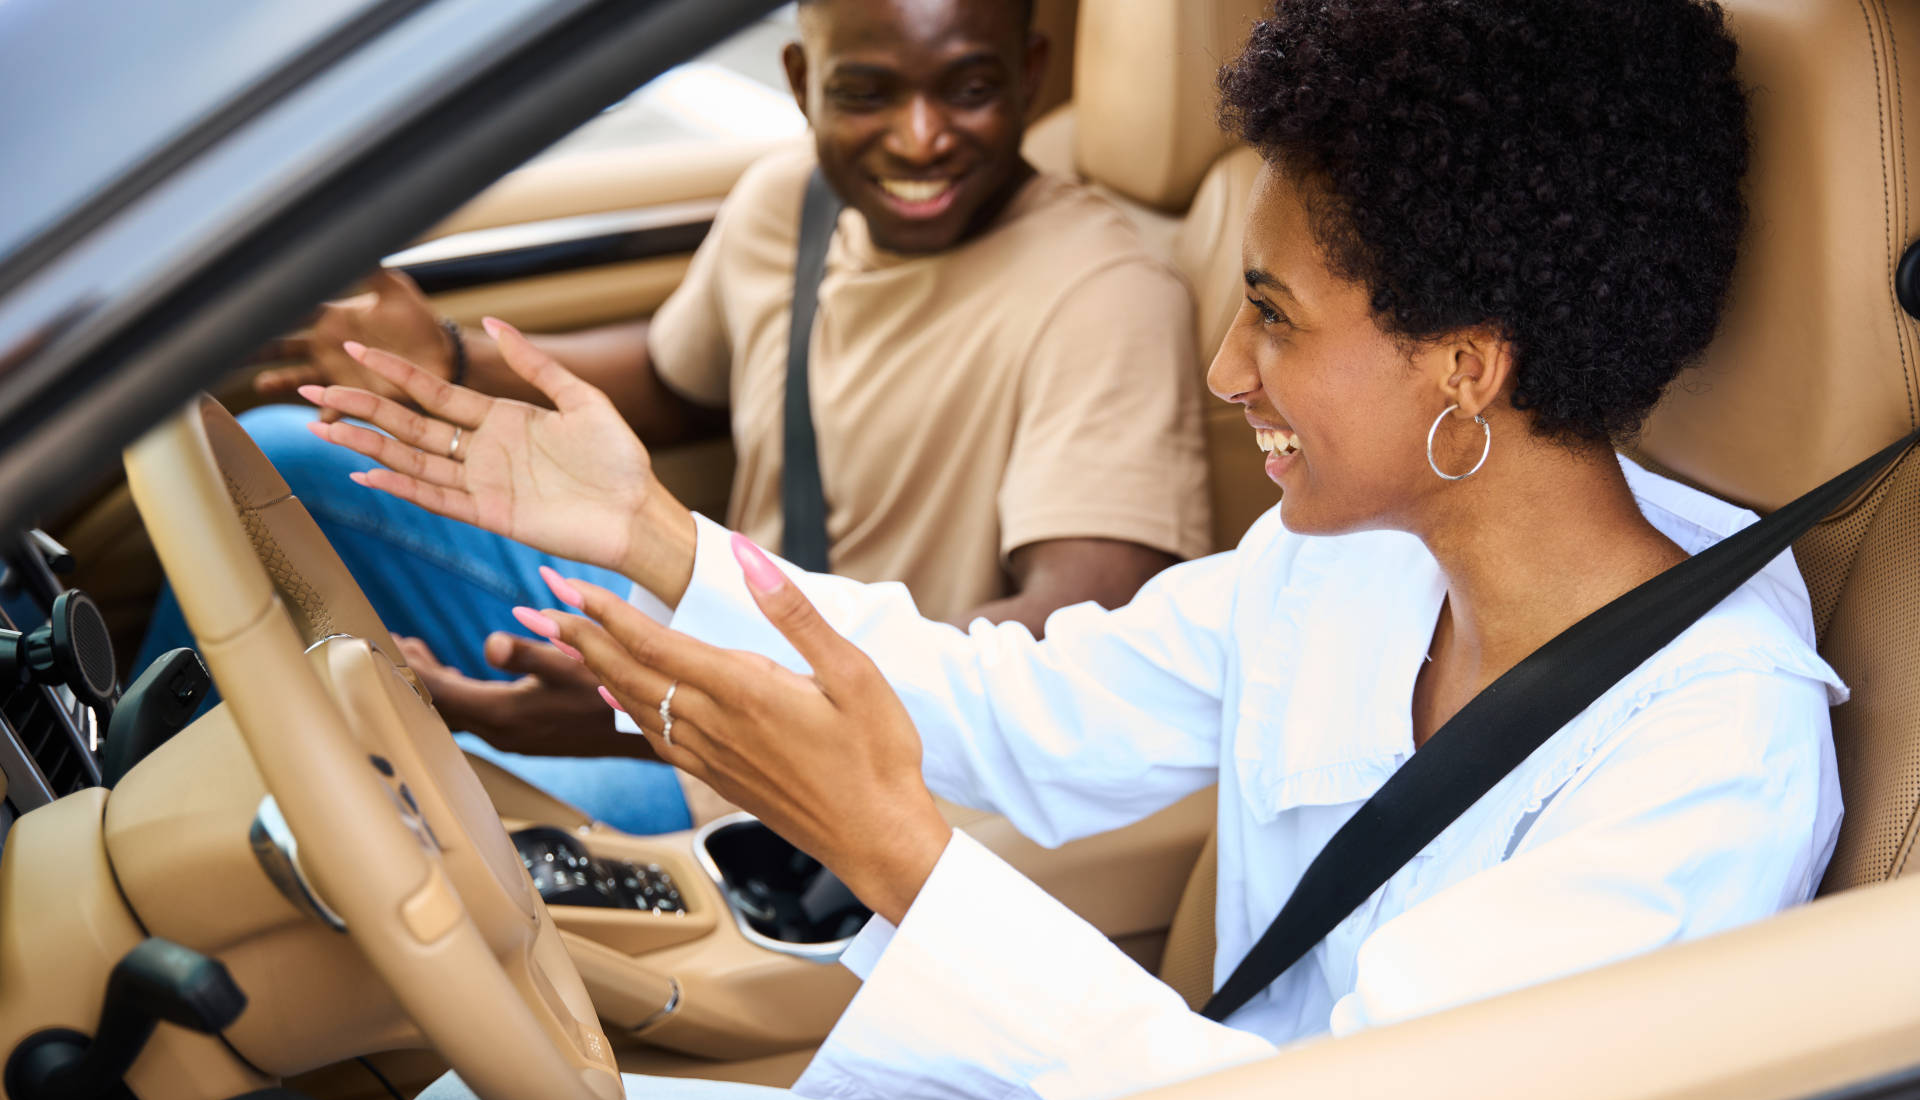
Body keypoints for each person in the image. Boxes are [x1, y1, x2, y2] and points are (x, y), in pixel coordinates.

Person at [296, 0, 1843, 1100]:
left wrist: (899, 852)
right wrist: (659, 540)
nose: (1231, 369)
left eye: (1275, 316)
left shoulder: (1712, 750)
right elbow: (1024, 710)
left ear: (1466, 368)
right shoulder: (1361, 559)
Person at [137, 0, 1211, 833]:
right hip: (704, 626)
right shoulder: (792, 203)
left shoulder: (1103, 297)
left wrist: (659, 708)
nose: (921, 138)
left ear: (1029, 72)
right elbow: (676, 377)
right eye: (868, 92)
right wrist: (449, 359)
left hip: (819, 757)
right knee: (274, 464)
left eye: (967, 89)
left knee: (354, 788)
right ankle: (130, 776)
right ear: (801, 81)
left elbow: (1078, 650)